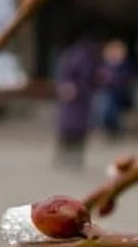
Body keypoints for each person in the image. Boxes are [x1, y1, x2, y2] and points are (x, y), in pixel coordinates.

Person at [54, 32, 103, 171]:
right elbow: (66, 75)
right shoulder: (75, 56)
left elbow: (94, 77)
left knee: (77, 128)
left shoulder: (88, 57)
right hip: (74, 97)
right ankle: (66, 155)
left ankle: (74, 156)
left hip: (83, 97)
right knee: (69, 127)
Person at [96, 39, 134, 140]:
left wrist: (113, 79)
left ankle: (113, 129)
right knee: (104, 105)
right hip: (107, 92)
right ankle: (110, 129)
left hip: (121, 94)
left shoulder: (125, 65)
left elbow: (127, 79)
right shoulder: (104, 65)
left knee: (110, 107)